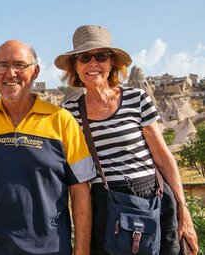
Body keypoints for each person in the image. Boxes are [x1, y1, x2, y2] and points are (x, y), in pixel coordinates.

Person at [54, 25, 199, 254]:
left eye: (101, 56)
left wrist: (183, 208)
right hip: (106, 203)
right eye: (84, 57)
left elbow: (162, 156)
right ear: (76, 66)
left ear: (111, 63)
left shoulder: (136, 98)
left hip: (153, 197)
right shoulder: (70, 110)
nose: (93, 63)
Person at [0, 40, 96, 255]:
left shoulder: (61, 121)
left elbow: (80, 192)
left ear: (35, 71)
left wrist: (81, 251)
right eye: (2, 65)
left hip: (50, 250)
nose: (10, 73)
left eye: (20, 65)